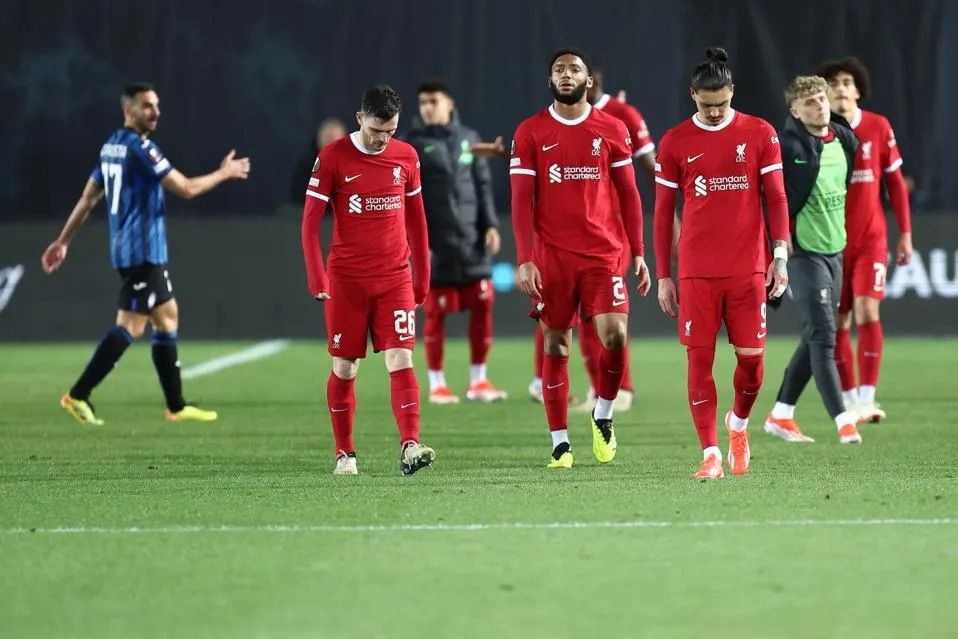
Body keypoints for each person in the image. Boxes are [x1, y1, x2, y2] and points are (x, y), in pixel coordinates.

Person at [42, 82, 250, 425]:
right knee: (130, 327)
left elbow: (88, 198)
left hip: (129, 250)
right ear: (128, 110)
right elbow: (185, 188)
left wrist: (63, 241)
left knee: (167, 316)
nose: (155, 112)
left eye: (156, 105)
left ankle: (176, 405)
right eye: (146, 106)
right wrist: (224, 173)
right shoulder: (141, 149)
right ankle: (78, 395)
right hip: (142, 252)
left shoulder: (111, 146)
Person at [511, 48, 651, 469]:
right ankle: (559, 444)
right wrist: (525, 258)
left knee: (615, 337)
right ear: (550, 80)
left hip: (604, 253)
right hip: (552, 256)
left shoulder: (612, 128)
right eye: (559, 69)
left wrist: (640, 252)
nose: (566, 75)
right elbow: (520, 200)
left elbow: (629, 194)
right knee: (556, 343)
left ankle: (603, 416)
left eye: (575, 69)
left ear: (589, 80)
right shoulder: (531, 131)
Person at [653, 47, 789, 479]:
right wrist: (663, 275)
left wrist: (780, 255)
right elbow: (661, 213)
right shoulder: (675, 141)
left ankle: (739, 426)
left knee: (752, 363)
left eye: (722, 104)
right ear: (693, 95)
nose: (714, 113)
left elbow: (777, 197)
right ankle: (710, 453)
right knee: (699, 361)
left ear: (733, 92)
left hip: (748, 266)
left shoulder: (760, 133)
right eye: (707, 105)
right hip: (696, 270)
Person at [301, 84, 435, 476]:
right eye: (377, 130)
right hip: (347, 281)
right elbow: (310, 223)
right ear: (360, 119)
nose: (383, 139)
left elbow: (417, 220)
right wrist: (316, 275)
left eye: (390, 131)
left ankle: (410, 445)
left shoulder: (407, 157)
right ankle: (345, 453)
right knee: (346, 367)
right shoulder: (332, 158)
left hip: (394, 277)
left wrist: (422, 276)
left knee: (402, 358)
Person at [764, 76, 862, 445]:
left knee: (816, 333)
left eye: (821, 99)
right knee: (824, 335)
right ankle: (843, 420)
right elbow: (770, 196)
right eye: (809, 102)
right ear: (795, 111)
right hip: (802, 254)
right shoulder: (788, 146)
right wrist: (778, 243)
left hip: (835, 250)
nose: (819, 105)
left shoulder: (845, 140)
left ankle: (781, 415)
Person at [817, 57, 913, 423]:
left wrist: (905, 233)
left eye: (846, 82)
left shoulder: (877, 126)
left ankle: (869, 399)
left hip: (871, 239)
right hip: (832, 242)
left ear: (858, 90)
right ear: (823, 93)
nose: (840, 88)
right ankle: (850, 399)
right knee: (838, 322)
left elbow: (895, 183)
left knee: (867, 311)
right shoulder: (818, 134)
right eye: (833, 82)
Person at [403, 79, 507, 405]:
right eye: (423, 103)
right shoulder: (412, 146)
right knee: (435, 314)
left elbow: (482, 185)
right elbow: (406, 200)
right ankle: (437, 384)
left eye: (433, 101)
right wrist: (415, 243)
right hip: (437, 246)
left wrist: (490, 225)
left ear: (450, 104)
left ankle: (478, 381)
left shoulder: (470, 140)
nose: (428, 108)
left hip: (471, 242)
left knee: (483, 305)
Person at [289, 118, 347, 206]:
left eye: (335, 140)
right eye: (327, 139)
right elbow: (298, 196)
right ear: (319, 139)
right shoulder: (306, 165)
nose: (330, 145)